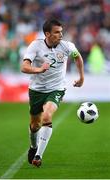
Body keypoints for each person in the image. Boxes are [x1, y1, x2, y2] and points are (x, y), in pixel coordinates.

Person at [21, 19, 84, 167]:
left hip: (56, 89)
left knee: (47, 116)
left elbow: (77, 57)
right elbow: (24, 67)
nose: (60, 35)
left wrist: (81, 77)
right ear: (47, 34)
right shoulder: (36, 46)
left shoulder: (67, 46)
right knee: (35, 125)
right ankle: (33, 146)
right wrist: (39, 69)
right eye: (57, 32)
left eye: (61, 31)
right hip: (36, 90)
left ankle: (38, 156)